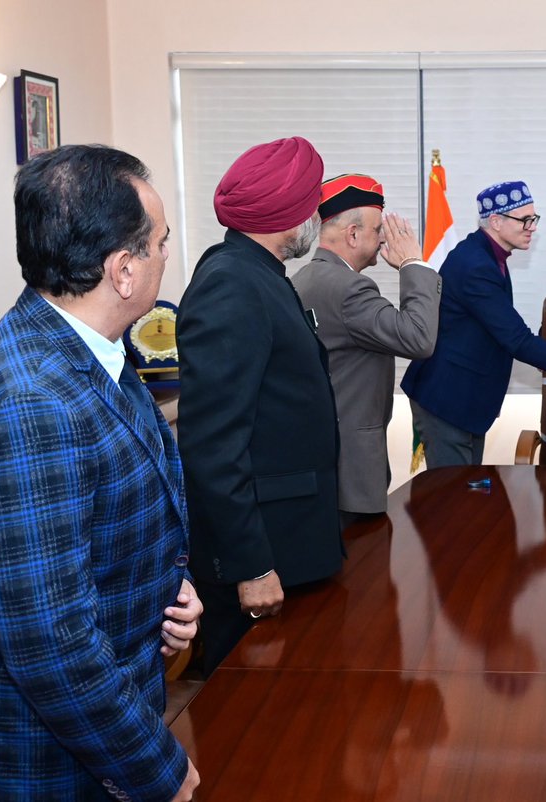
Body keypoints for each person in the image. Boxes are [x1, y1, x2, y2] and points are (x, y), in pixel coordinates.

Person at [0, 145, 200, 801]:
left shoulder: (88, 343)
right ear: (123, 271)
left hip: (92, 725)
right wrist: (157, 768)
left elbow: (116, 508)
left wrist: (170, 589)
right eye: (159, 243)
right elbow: (54, 647)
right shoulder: (31, 407)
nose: (165, 255)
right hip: (30, 760)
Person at [177, 137, 343, 673]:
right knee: (253, 732)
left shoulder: (259, 273)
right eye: (313, 204)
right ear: (290, 215)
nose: (318, 215)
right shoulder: (232, 284)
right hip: (263, 559)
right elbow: (211, 443)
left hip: (292, 543)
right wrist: (250, 565)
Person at [400, 181, 546, 467]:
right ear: (496, 221)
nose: (532, 227)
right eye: (525, 220)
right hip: (447, 398)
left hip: (465, 400)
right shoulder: (475, 264)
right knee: (450, 502)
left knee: (463, 498)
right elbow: (517, 340)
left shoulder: (490, 257)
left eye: (534, 218)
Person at [291, 174, 440, 529]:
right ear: (353, 234)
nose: (383, 239)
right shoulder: (350, 289)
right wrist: (412, 264)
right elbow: (419, 338)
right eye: (377, 230)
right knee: (363, 574)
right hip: (351, 468)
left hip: (323, 455)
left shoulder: (303, 279)